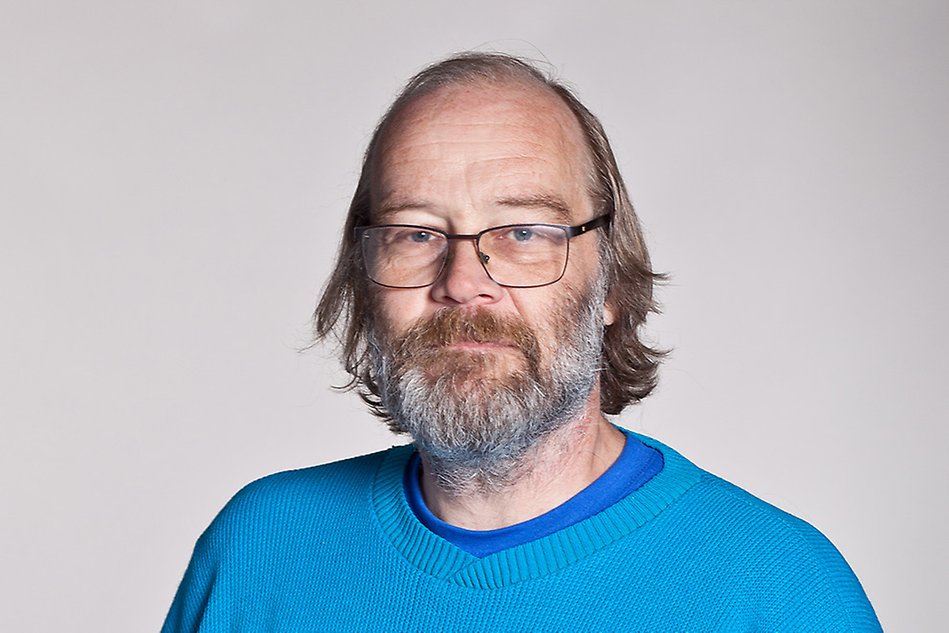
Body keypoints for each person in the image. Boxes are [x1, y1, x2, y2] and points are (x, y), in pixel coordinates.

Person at [162, 53, 881, 632]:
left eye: (523, 233)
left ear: (612, 284)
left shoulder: (778, 591)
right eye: (416, 232)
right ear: (364, 276)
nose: (463, 281)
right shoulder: (261, 549)